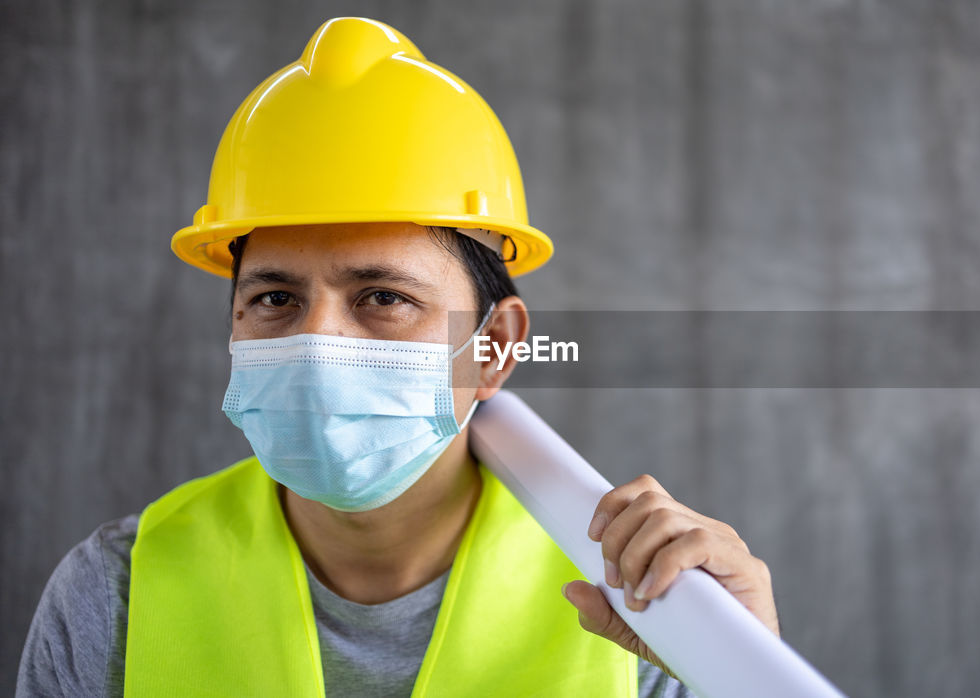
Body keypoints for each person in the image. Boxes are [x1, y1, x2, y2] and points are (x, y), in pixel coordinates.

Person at [17, 16, 779, 697]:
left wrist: (747, 675)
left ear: (495, 347)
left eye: (383, 297)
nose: (319, 346)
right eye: (275, 299)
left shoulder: (645, 605)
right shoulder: (114, 591)